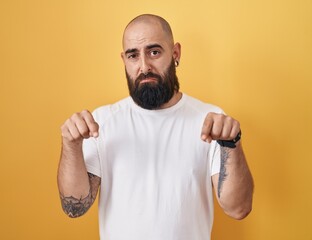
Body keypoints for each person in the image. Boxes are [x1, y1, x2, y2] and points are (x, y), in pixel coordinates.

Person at [57, 14, 254, 240]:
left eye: (154, 52)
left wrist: (231, 144)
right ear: (124, 60)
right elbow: (74, 208)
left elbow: (238, 208)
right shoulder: (102, 122)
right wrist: (71, 146)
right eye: (133, 55)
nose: (144, 66)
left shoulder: (211, 120)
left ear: (175, 53)